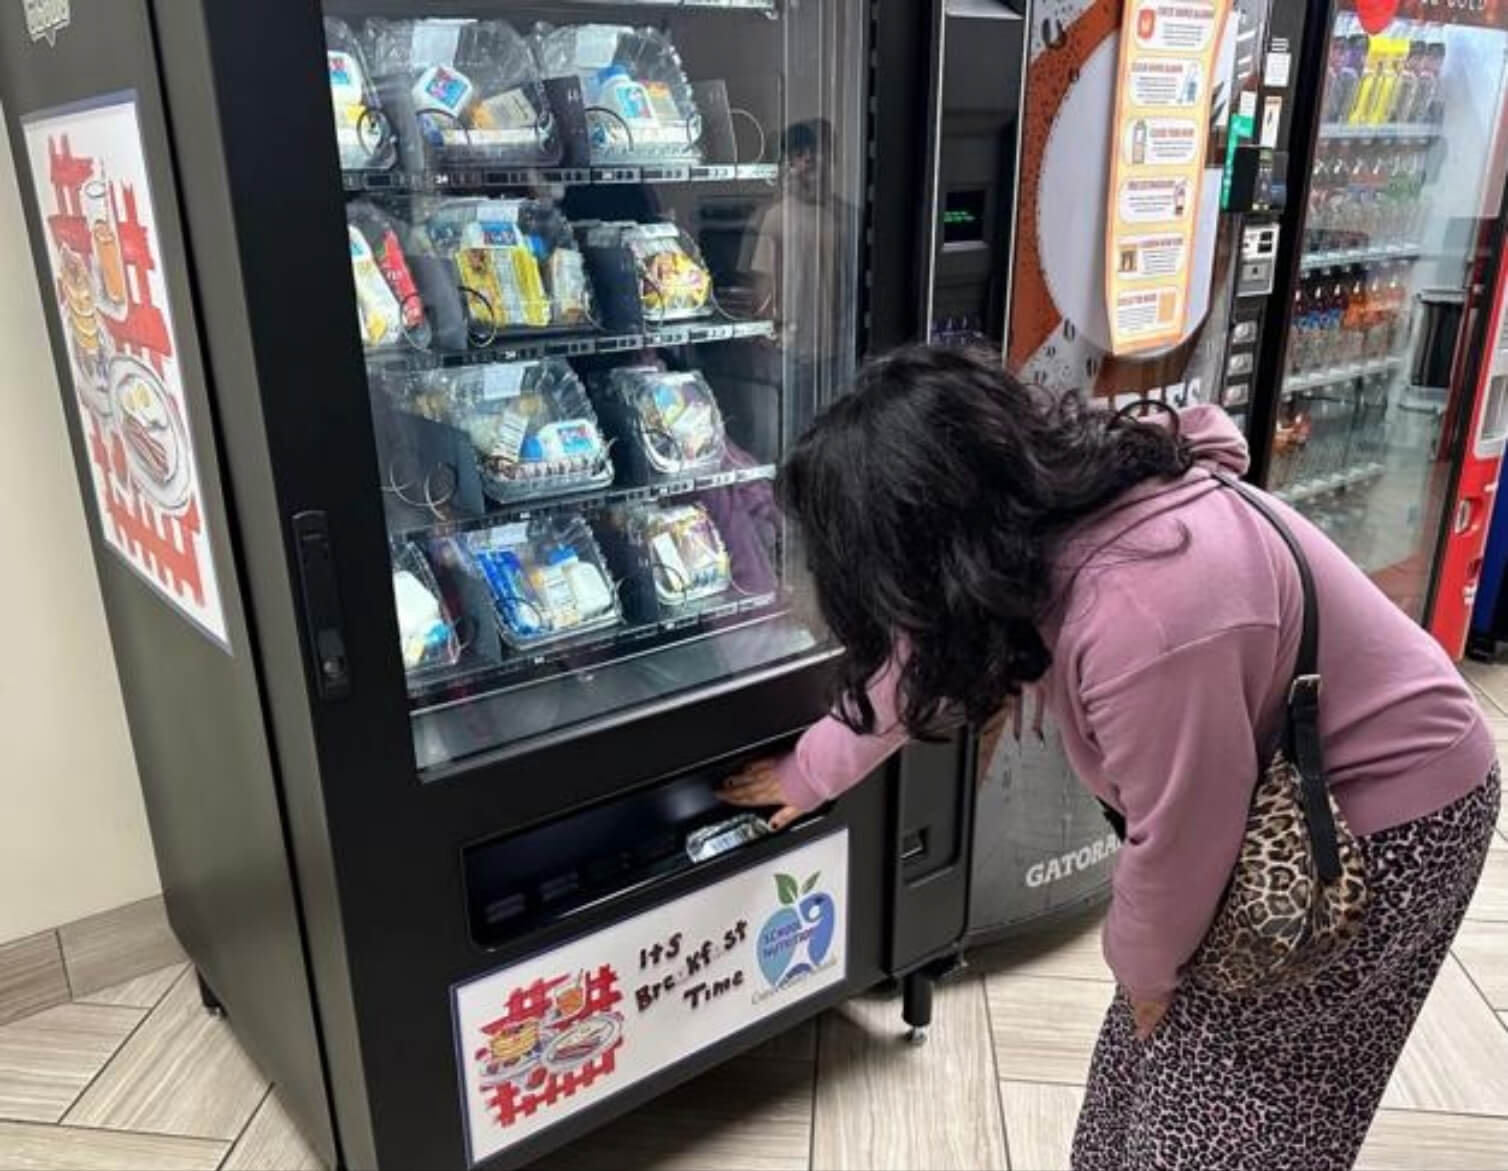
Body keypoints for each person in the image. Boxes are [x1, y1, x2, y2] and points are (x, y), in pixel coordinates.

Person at [719, 345, 1499, 1171]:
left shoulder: (1146, 612)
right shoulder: (1036, 494)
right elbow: (929, 640)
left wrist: (1146, 973)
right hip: (1264, 798)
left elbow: (1183, 840)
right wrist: (814, 769)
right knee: (1136, 1093)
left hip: (1387, 816)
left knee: (1246, 1112)